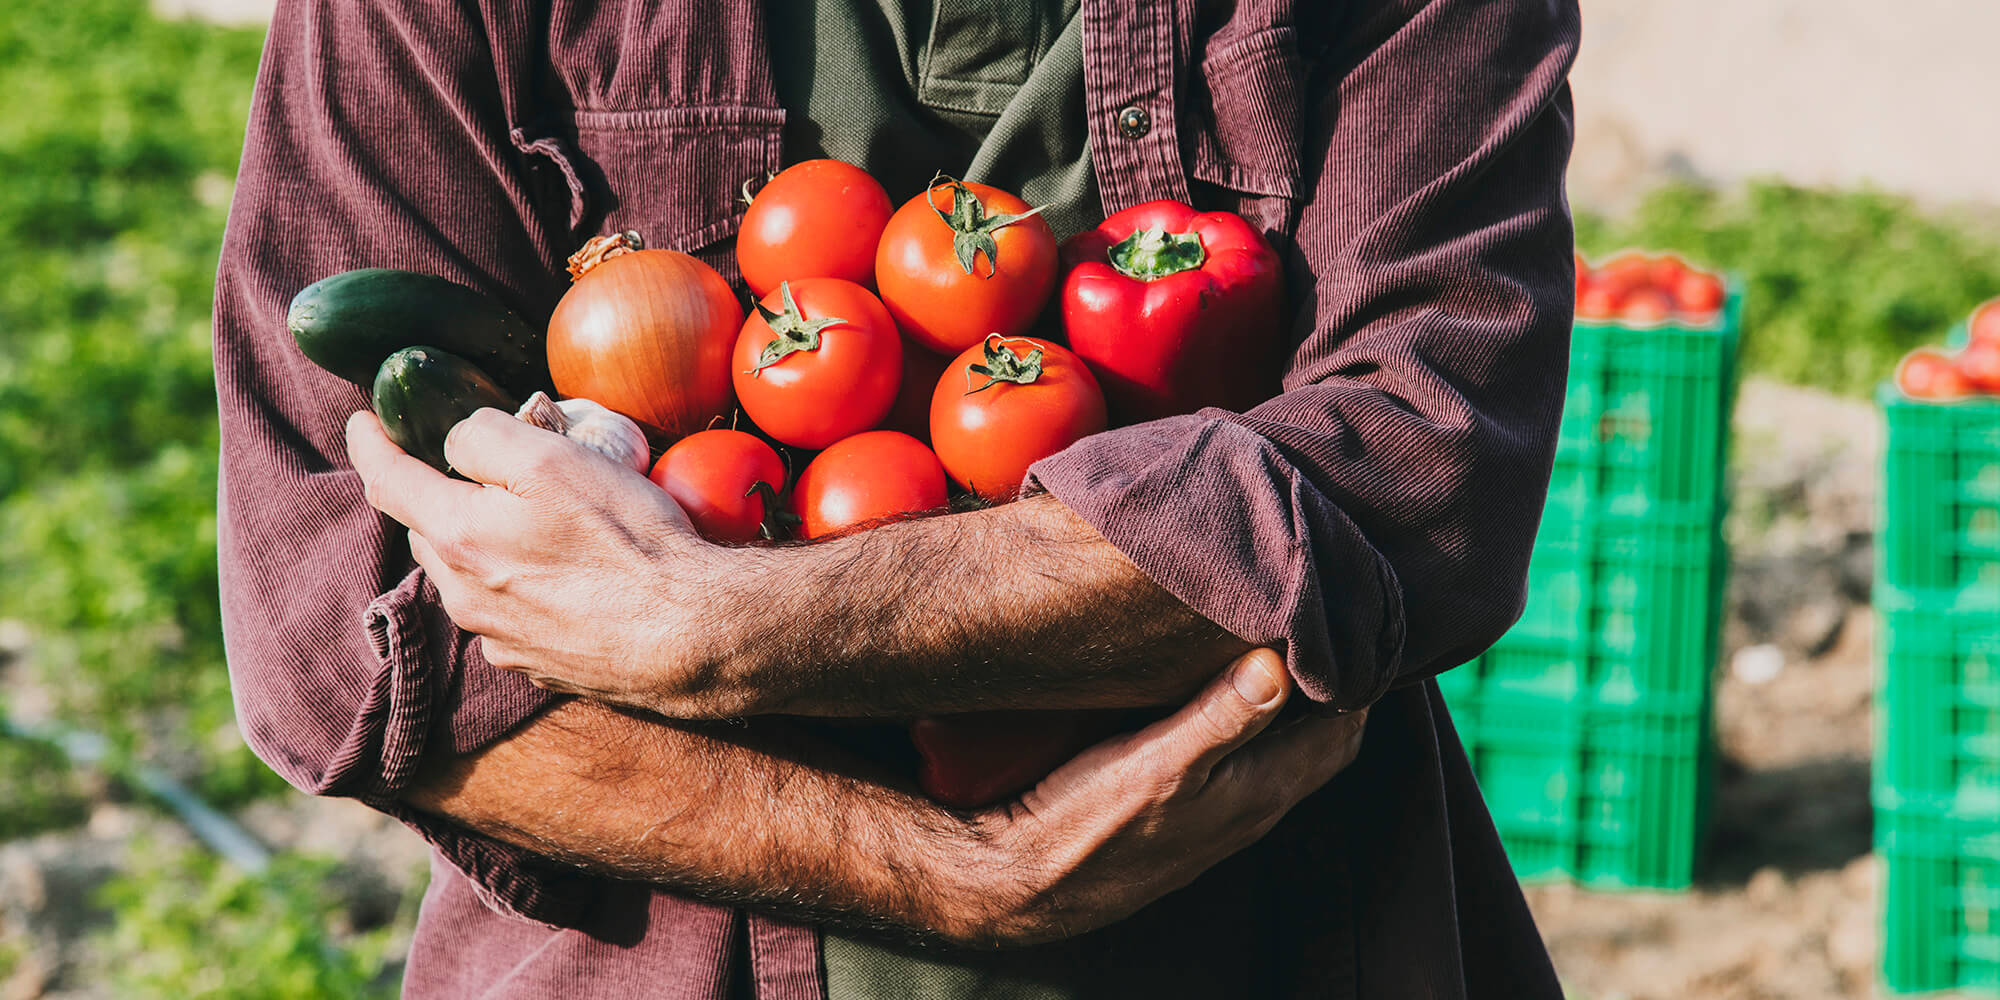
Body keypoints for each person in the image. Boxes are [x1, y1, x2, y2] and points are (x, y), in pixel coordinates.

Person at [214, 0, 1581, 996]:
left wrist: (716, 624)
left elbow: (1422, 474)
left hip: (1272, 941)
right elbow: (337, 644)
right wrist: (961, 871)